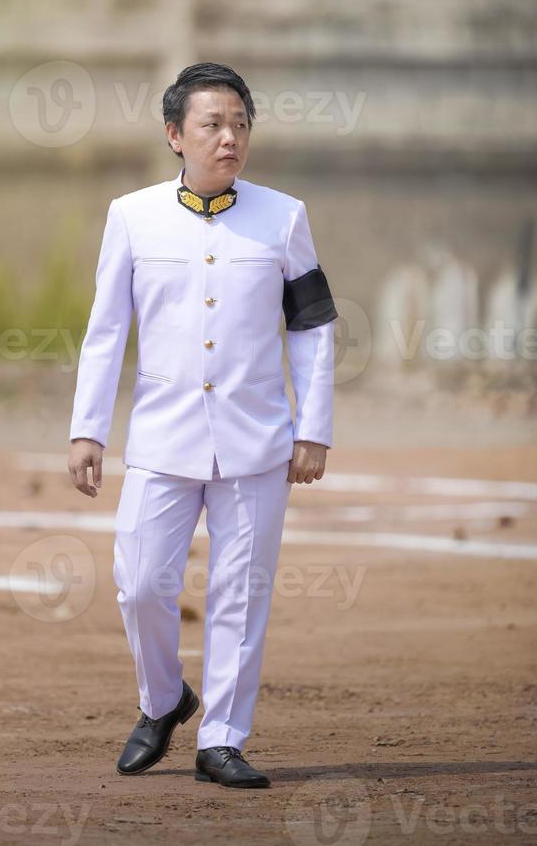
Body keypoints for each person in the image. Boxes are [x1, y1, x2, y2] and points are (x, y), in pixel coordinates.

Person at [68, 62, 337, 789]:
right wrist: (87, 429)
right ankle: (164, 700)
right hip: (161, 436)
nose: (230, 138)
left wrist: (314, 427)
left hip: (257, 440)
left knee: (240, 592)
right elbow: (105, 331)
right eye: (213, 124)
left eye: (240, 124)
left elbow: (311, 327)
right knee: (140, 583)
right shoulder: (132, 215)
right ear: (174, 134)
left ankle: (221, 738)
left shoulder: (283, 217)